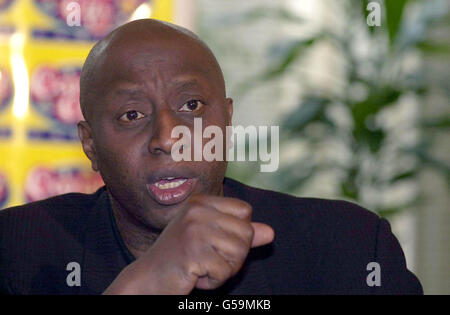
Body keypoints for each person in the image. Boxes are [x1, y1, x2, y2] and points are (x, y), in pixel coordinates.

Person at [0, 19, 422, 295]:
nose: (168, 137)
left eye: (192, 107)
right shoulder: (17, 252)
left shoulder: (347, 249)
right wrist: (145, 284)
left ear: (228, 120)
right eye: (132, 114)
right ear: (90, 145)